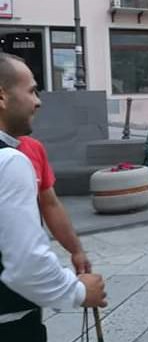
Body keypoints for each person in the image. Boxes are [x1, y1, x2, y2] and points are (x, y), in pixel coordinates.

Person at [0, 53, 106, 341]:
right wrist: (80, 291)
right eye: (32, 90)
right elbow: (25, 265)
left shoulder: (28, 150)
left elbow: (50, 202)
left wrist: (75, 249)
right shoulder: (9, 161)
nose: (39, 101)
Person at [18, 136, 91, 275]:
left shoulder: (32, 147)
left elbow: (50, 204)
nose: (35, 112)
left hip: (30, 261)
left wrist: (76, 250)